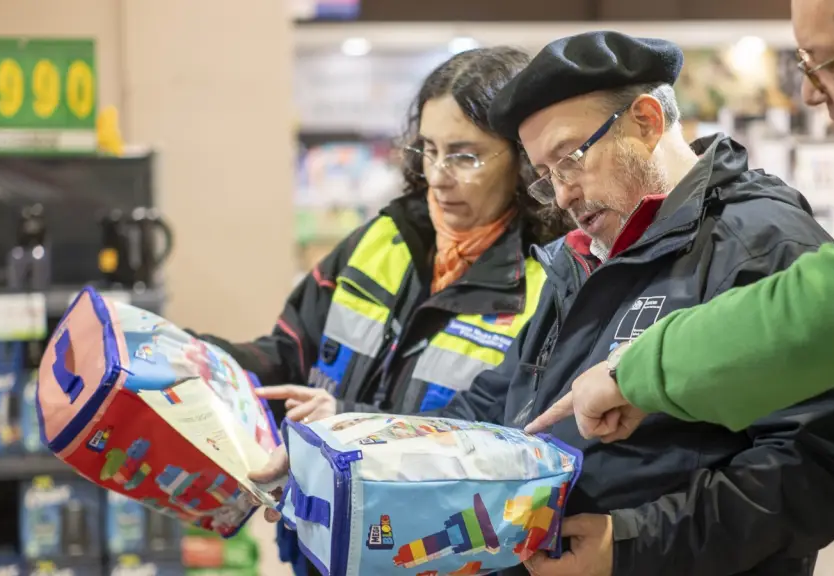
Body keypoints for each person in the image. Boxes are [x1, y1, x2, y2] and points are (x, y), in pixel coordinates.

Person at [256, 31, 834, 576]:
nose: (561, 194)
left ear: (646, 121)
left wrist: (628, 545)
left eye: (571, 159)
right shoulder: (584, 256)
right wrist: (351, 444)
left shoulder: (761, 246)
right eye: (545, 174)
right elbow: (498, 407)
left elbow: (820, 465)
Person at [526, 4, 834, 576]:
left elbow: (823, 315)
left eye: (828, 63)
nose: (810, 92)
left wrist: (634, 373)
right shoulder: (580, 254)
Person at [199, 46, 570, 574]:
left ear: (524, 158)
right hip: (323, 548)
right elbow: (288, 354)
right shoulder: (381, 238)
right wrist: (200, 360)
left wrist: (347, 422)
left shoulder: (548, 284)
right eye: (428, 149)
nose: (438, 175)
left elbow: (505, 447)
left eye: (464, 155)